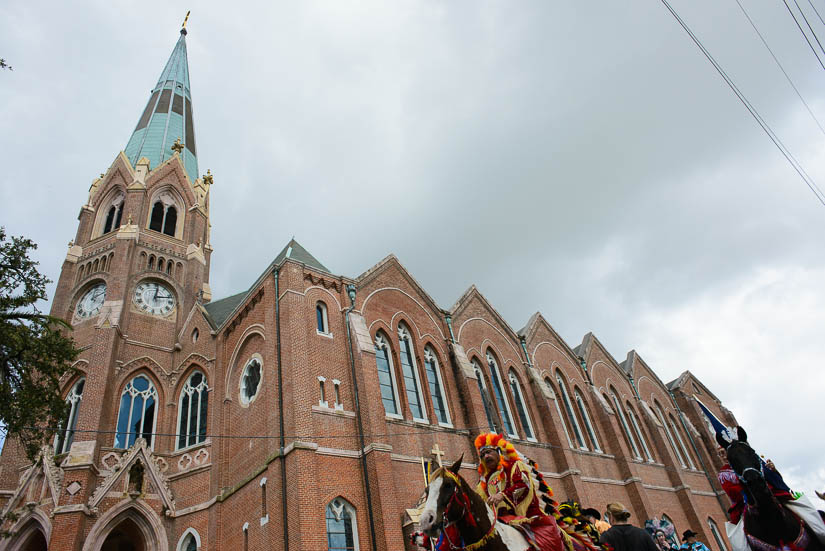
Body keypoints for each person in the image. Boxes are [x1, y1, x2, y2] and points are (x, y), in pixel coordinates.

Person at [474, 432, 563, 550]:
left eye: (489, 452)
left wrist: (502, 495)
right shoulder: (483, 483)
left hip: (526, 516)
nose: (486, 457)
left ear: (499, 452)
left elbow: (523, 485)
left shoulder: (514, 466)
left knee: (550, 540)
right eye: (482, 455)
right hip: (498, 521)